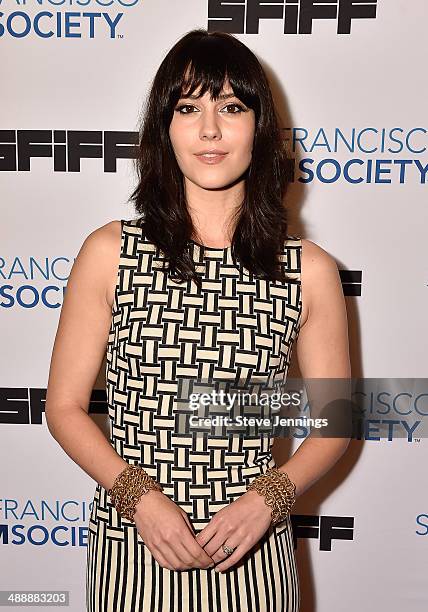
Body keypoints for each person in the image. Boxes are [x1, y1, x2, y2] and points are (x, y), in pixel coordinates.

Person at [45, 28, 351, 612]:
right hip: (135, 547)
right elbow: (63, 408)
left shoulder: (308, 270)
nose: (209, 130)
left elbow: (334, 422)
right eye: (188, 108)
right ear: (164, 129)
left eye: (231, 107)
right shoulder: (110, 252)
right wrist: (140, 500)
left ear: (260, 130)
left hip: (255, 555)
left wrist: (269, 498)